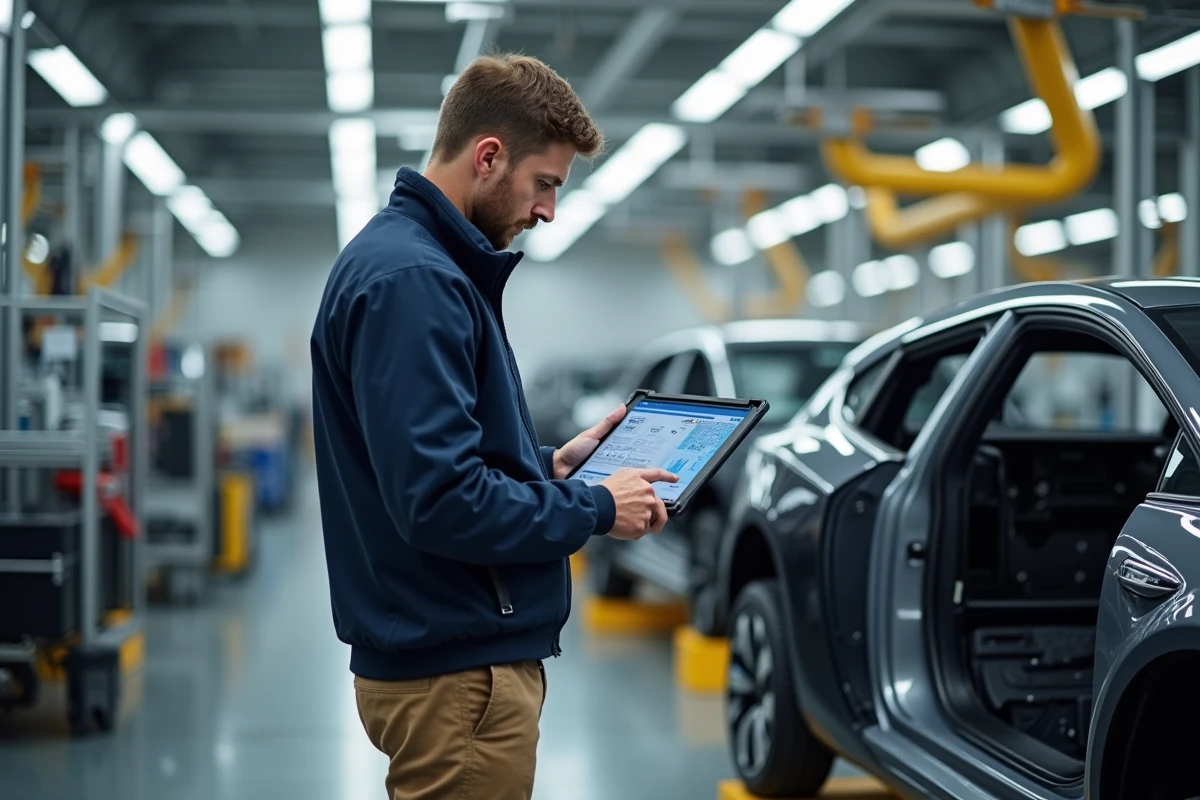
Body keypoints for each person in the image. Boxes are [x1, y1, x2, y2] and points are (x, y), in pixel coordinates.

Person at [309, 52, 678, 800]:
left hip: (444, 656)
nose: (548, 211)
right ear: (488, 157)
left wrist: (549, 467)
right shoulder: (417, 282)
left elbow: (431, 462)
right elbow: (440, 500)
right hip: (457, 674)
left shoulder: (415, 265)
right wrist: (595, 506)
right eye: (545, 183)